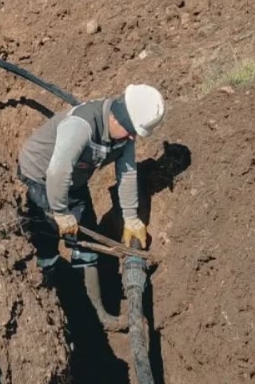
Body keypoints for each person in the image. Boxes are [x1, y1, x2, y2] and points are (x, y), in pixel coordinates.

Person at [17, 84, 166, 330]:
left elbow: (127, 174)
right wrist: (61, 213)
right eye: (130, 132)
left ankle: (97, 315)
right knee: (46, 241)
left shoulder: (125, 134)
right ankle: (50, 313)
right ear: (116, 117)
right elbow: (58, 170)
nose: (132, 139)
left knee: (85, 237)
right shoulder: (81, 126)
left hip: (74, 179)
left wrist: (130, 217)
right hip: (41, 176)